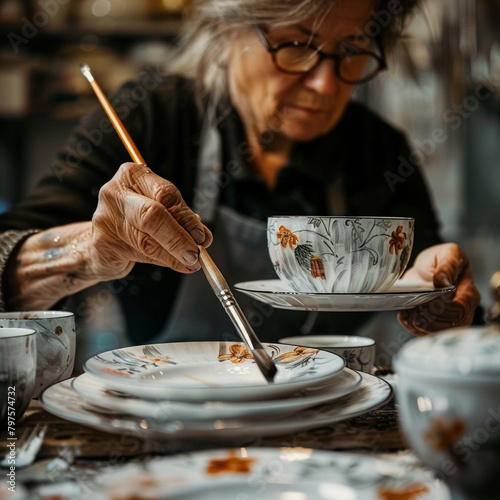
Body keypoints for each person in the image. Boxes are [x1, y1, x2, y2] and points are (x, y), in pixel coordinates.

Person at [0, 0, 481, 346]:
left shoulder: (376, 148)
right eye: (296, 45)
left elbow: (432, 288)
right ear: (226, 30)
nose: (326, 82)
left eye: (353, 48)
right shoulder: (147, 116)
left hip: (325, 413)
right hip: (168, 413)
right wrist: (90, 249)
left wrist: (436, 294)